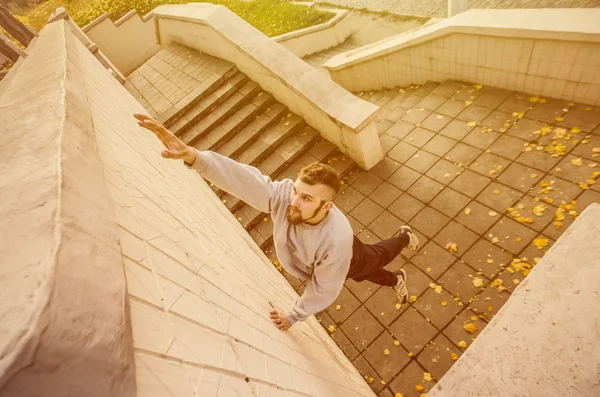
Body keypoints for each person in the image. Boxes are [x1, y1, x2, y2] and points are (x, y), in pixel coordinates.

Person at [134, 113, 419, 331]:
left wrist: (293, 317)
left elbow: (324, 289)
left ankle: (404, 238)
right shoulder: (286, 197)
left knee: (370, 261)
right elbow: (247, 180)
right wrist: (196, 158)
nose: (293, 202)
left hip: (350, 255)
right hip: (335, 262)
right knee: (357, 274)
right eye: (296, 190)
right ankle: (396, 278)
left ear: (326, 206)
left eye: (307, 199)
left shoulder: (336, 241)